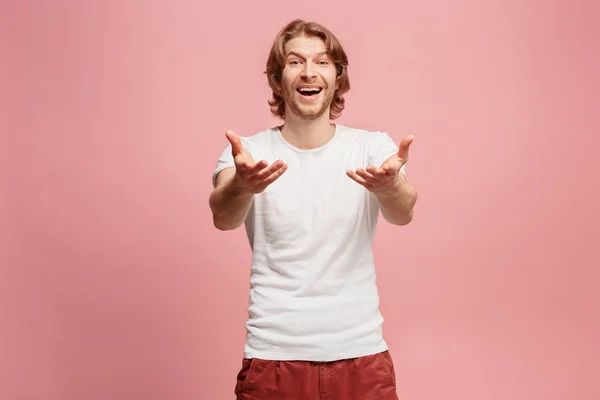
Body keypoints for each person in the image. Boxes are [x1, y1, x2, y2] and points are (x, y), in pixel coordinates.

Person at [209, 18, 417, 400]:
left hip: (360, 353)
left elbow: (404, 211)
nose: (309, 72)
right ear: (277, 78)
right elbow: (223, 216)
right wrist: (242, 185)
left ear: (338, 77)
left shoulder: (370, 147)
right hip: (274, 357)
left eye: (322, 62)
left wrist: (390, 187)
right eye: (295, 61)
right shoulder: (248, 154)